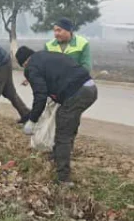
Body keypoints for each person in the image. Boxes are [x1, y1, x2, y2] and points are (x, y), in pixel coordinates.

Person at [16, 46, 98, 186]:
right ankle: (57, 156)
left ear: (24, 63)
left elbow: (40, 96)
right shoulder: (45, 56)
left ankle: (63, 178)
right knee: (67, 122)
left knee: (63, 133)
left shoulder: (31, 67)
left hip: (77, 93)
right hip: (89, 88)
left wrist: (32, 120)